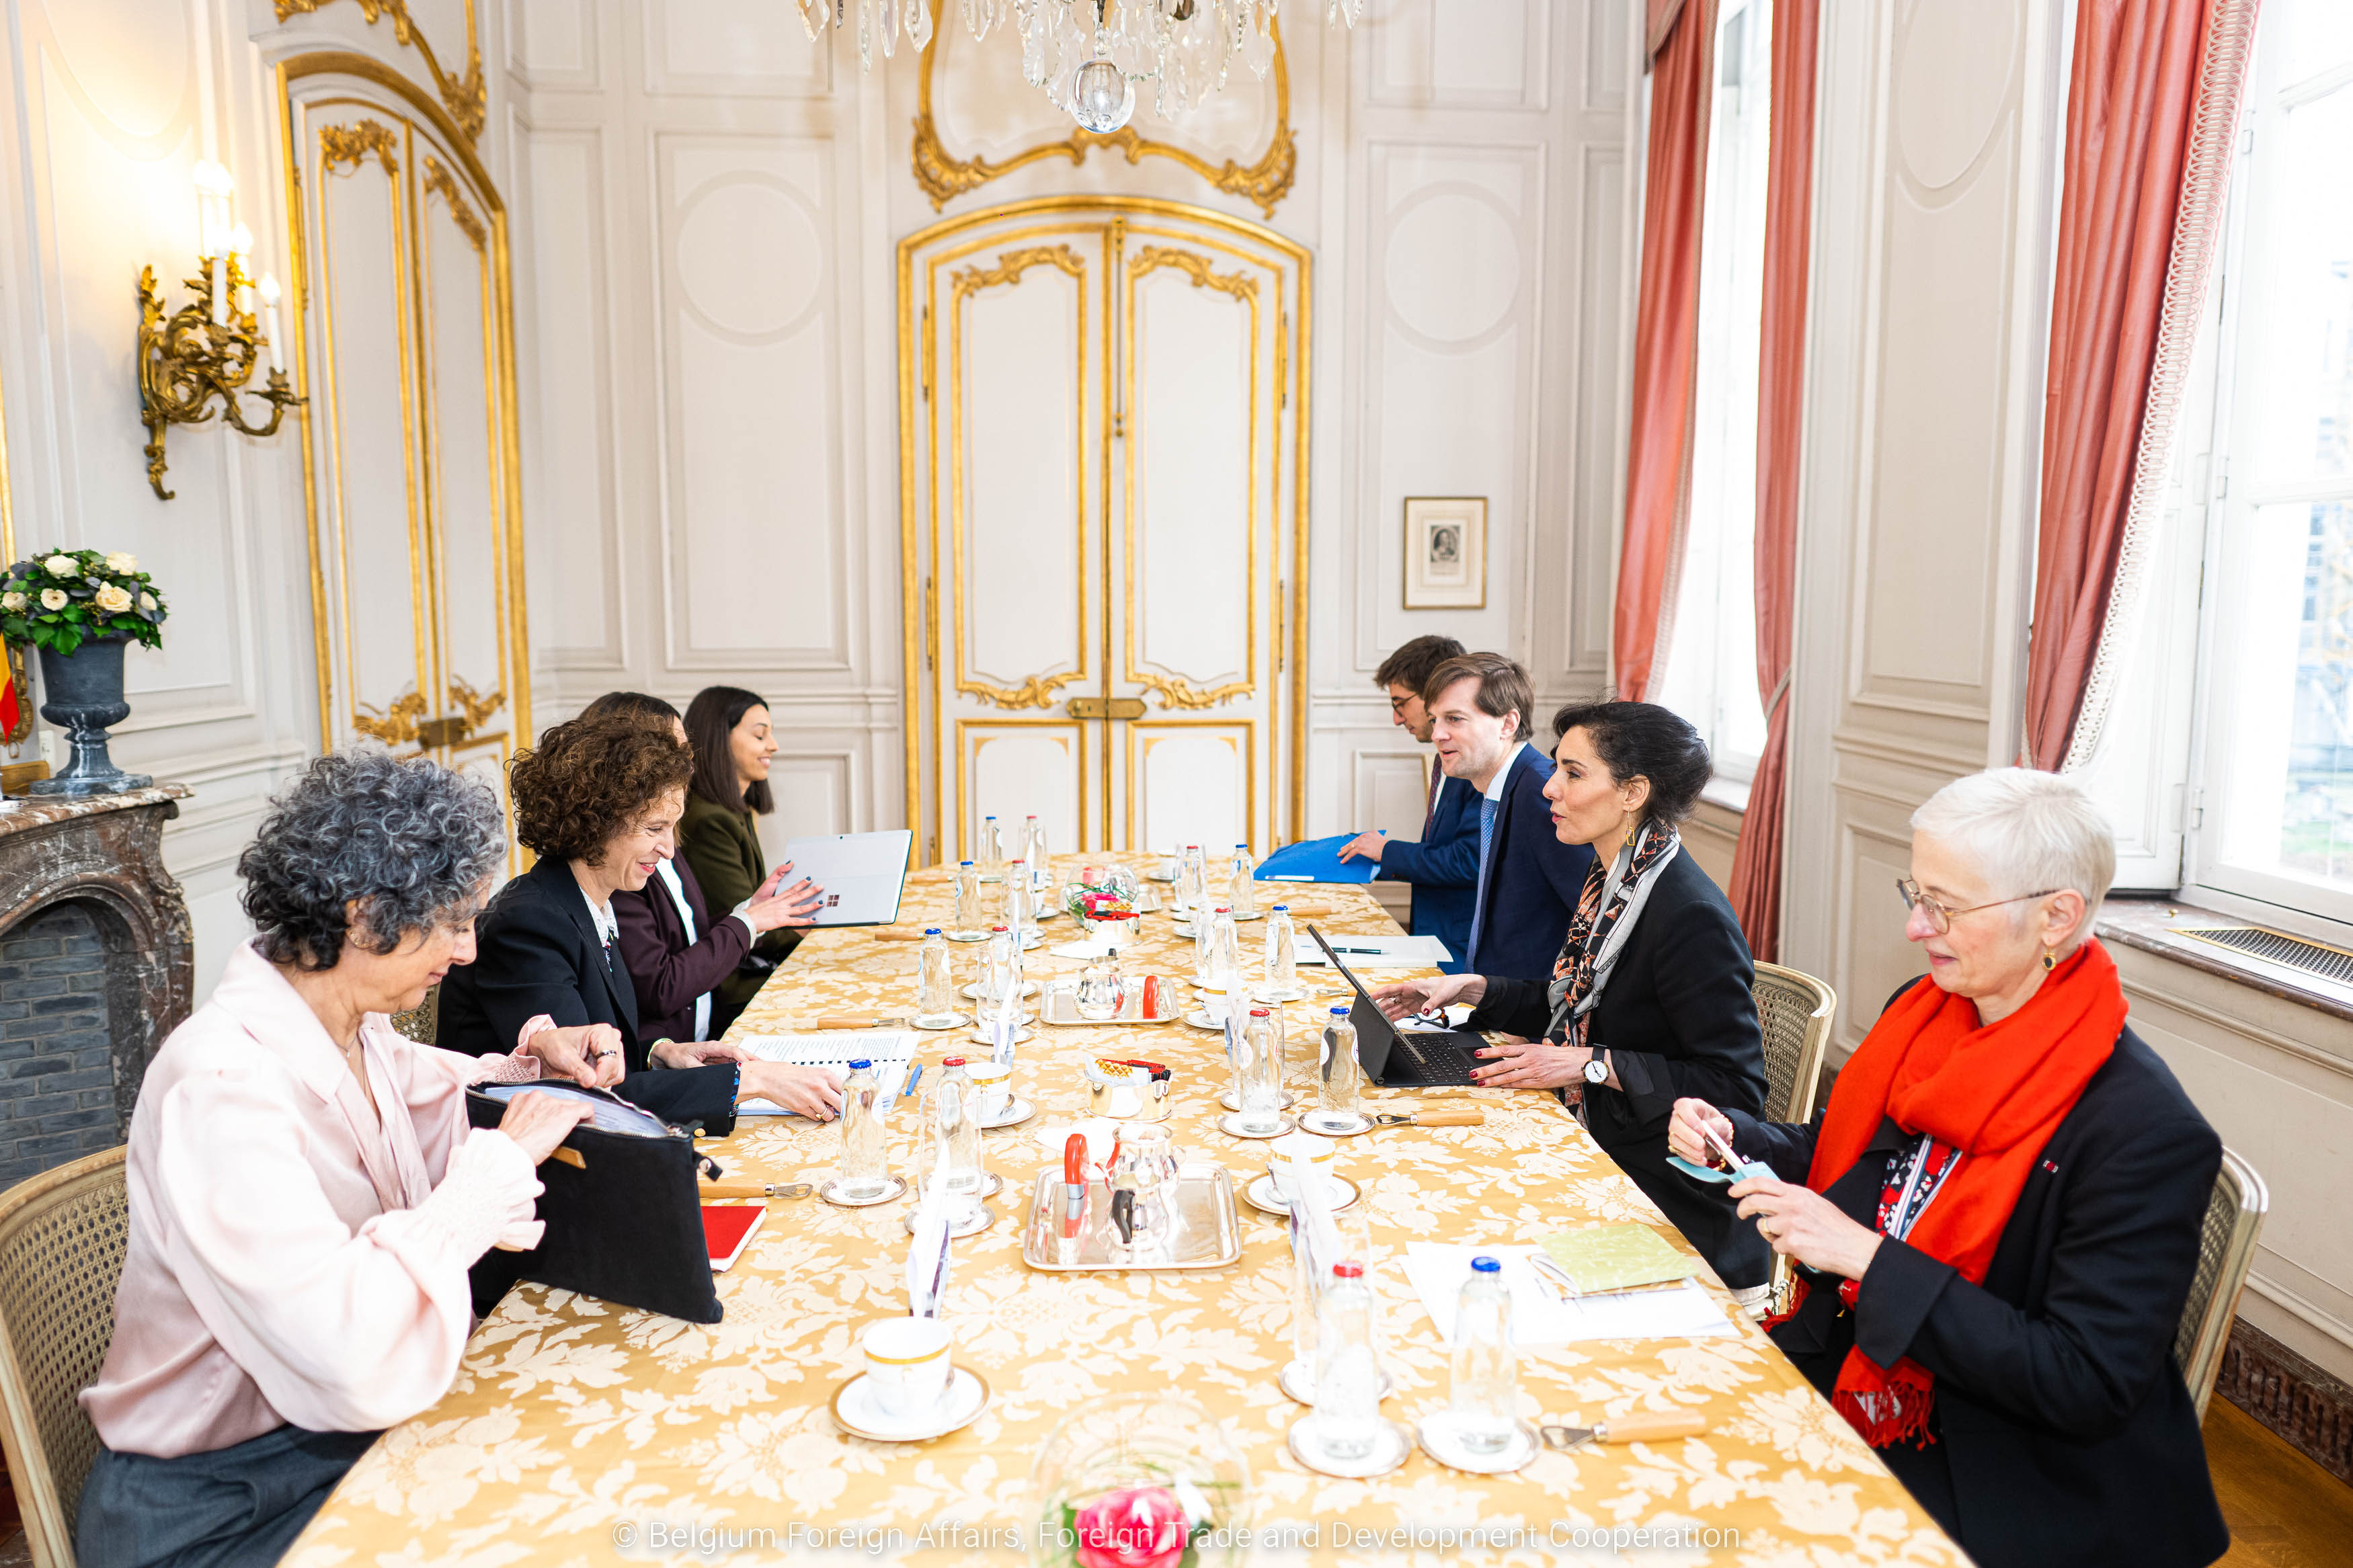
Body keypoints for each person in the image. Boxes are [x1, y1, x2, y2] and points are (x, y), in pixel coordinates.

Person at [1666, 769, 2227, 1568]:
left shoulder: (2140, 1128)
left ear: (2054, 916)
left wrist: (1866, 1257)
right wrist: (1739, 1136)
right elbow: (1855, 1155)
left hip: (2009, 1466)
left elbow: (2083, 1379)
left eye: (1945, 906)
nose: (1914, 926)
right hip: (1866, 1360)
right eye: (1915, 893)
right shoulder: (1930, 1011)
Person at [75, 749, 605, 1568]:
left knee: (574, 1475)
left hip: (332, 1440)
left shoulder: (352, 1029)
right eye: (453, 921)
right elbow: (344, 1348)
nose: (467, 951)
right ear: (363, 917)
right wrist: (495, 1168)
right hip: (215, 1508)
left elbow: (445, 1088)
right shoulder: (222, 1087)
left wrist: (536, 1059)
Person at [1371, 699, 1769, 1292]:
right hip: (1601, 1138)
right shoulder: (1615, 875)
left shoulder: (1688, 915)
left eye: (1573, 774)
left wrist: (1591, 1063)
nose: (1549, 788)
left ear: (1633, 792)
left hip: (1662, 1192)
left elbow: (1736, 1089)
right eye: (1557, 767)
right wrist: (1474, 989)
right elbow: (1581, 1004)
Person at [436, 713, 843, 1127]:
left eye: (672, 828)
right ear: (596, 823)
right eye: (654, 828)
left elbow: (601, 1042)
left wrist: (660, 1052)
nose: (669, 850)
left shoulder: (589, 902)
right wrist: (751, 1080)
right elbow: (587, 1095)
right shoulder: (529, 925)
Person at [582, 692, 822, 1042]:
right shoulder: (620, 865)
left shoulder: (664, 837)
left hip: (703, 1030)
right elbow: (661, 989)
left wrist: (751, 910)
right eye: (674, 752)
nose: (689, 765)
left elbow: (691, 934)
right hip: (673, 1048)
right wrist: (750, 922)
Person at [1424, 653, 1591, 981]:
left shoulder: (1541, 793)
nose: (1437, 734)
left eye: (1454, 719)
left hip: (1534, 1005)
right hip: (1496, 995)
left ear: (1508, 724)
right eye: (1434, 720)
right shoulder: (1502, 786)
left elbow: (1590, 916)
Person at [1336, 635, 1478, 972]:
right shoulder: (1444, 759)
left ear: (1434, 692)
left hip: (1462, 952)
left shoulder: (1474, 765)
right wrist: (1373, 858)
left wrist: (1387, 851)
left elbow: (1469, 861)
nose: (1397, 719)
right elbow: (1440, 851)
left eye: (1400, 704)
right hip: (1435, 936)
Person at [680, 687, 803, 1021]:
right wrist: (813, 926)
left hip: (748, 962)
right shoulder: (709, 820)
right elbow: (743, 921)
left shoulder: (735, 809)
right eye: (760, 735)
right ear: (719, 739)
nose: (773, 745)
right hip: (730, 982)